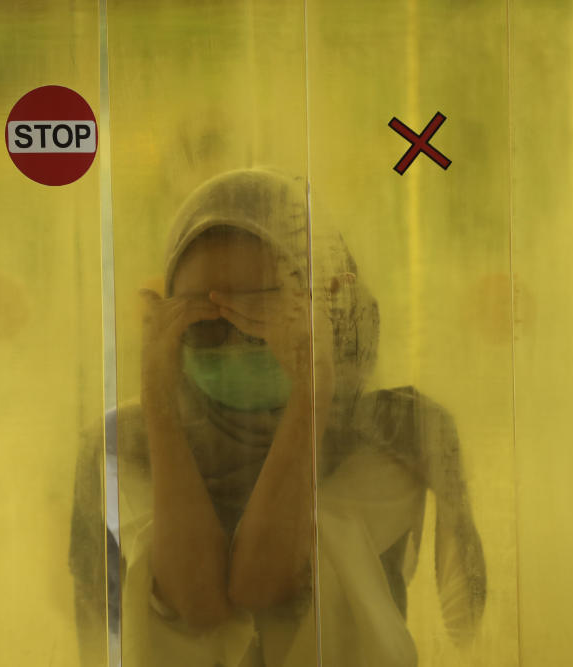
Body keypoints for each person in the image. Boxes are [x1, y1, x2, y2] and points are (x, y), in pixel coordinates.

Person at [70, 168, 486, 666]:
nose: (234, 347)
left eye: (260, 321)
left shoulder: (397, 435)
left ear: (326, 305)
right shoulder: (125, 443)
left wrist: (314, 388)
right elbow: (197, 600)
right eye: (203, 326)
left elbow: (261, 582)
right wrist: (158, 398)